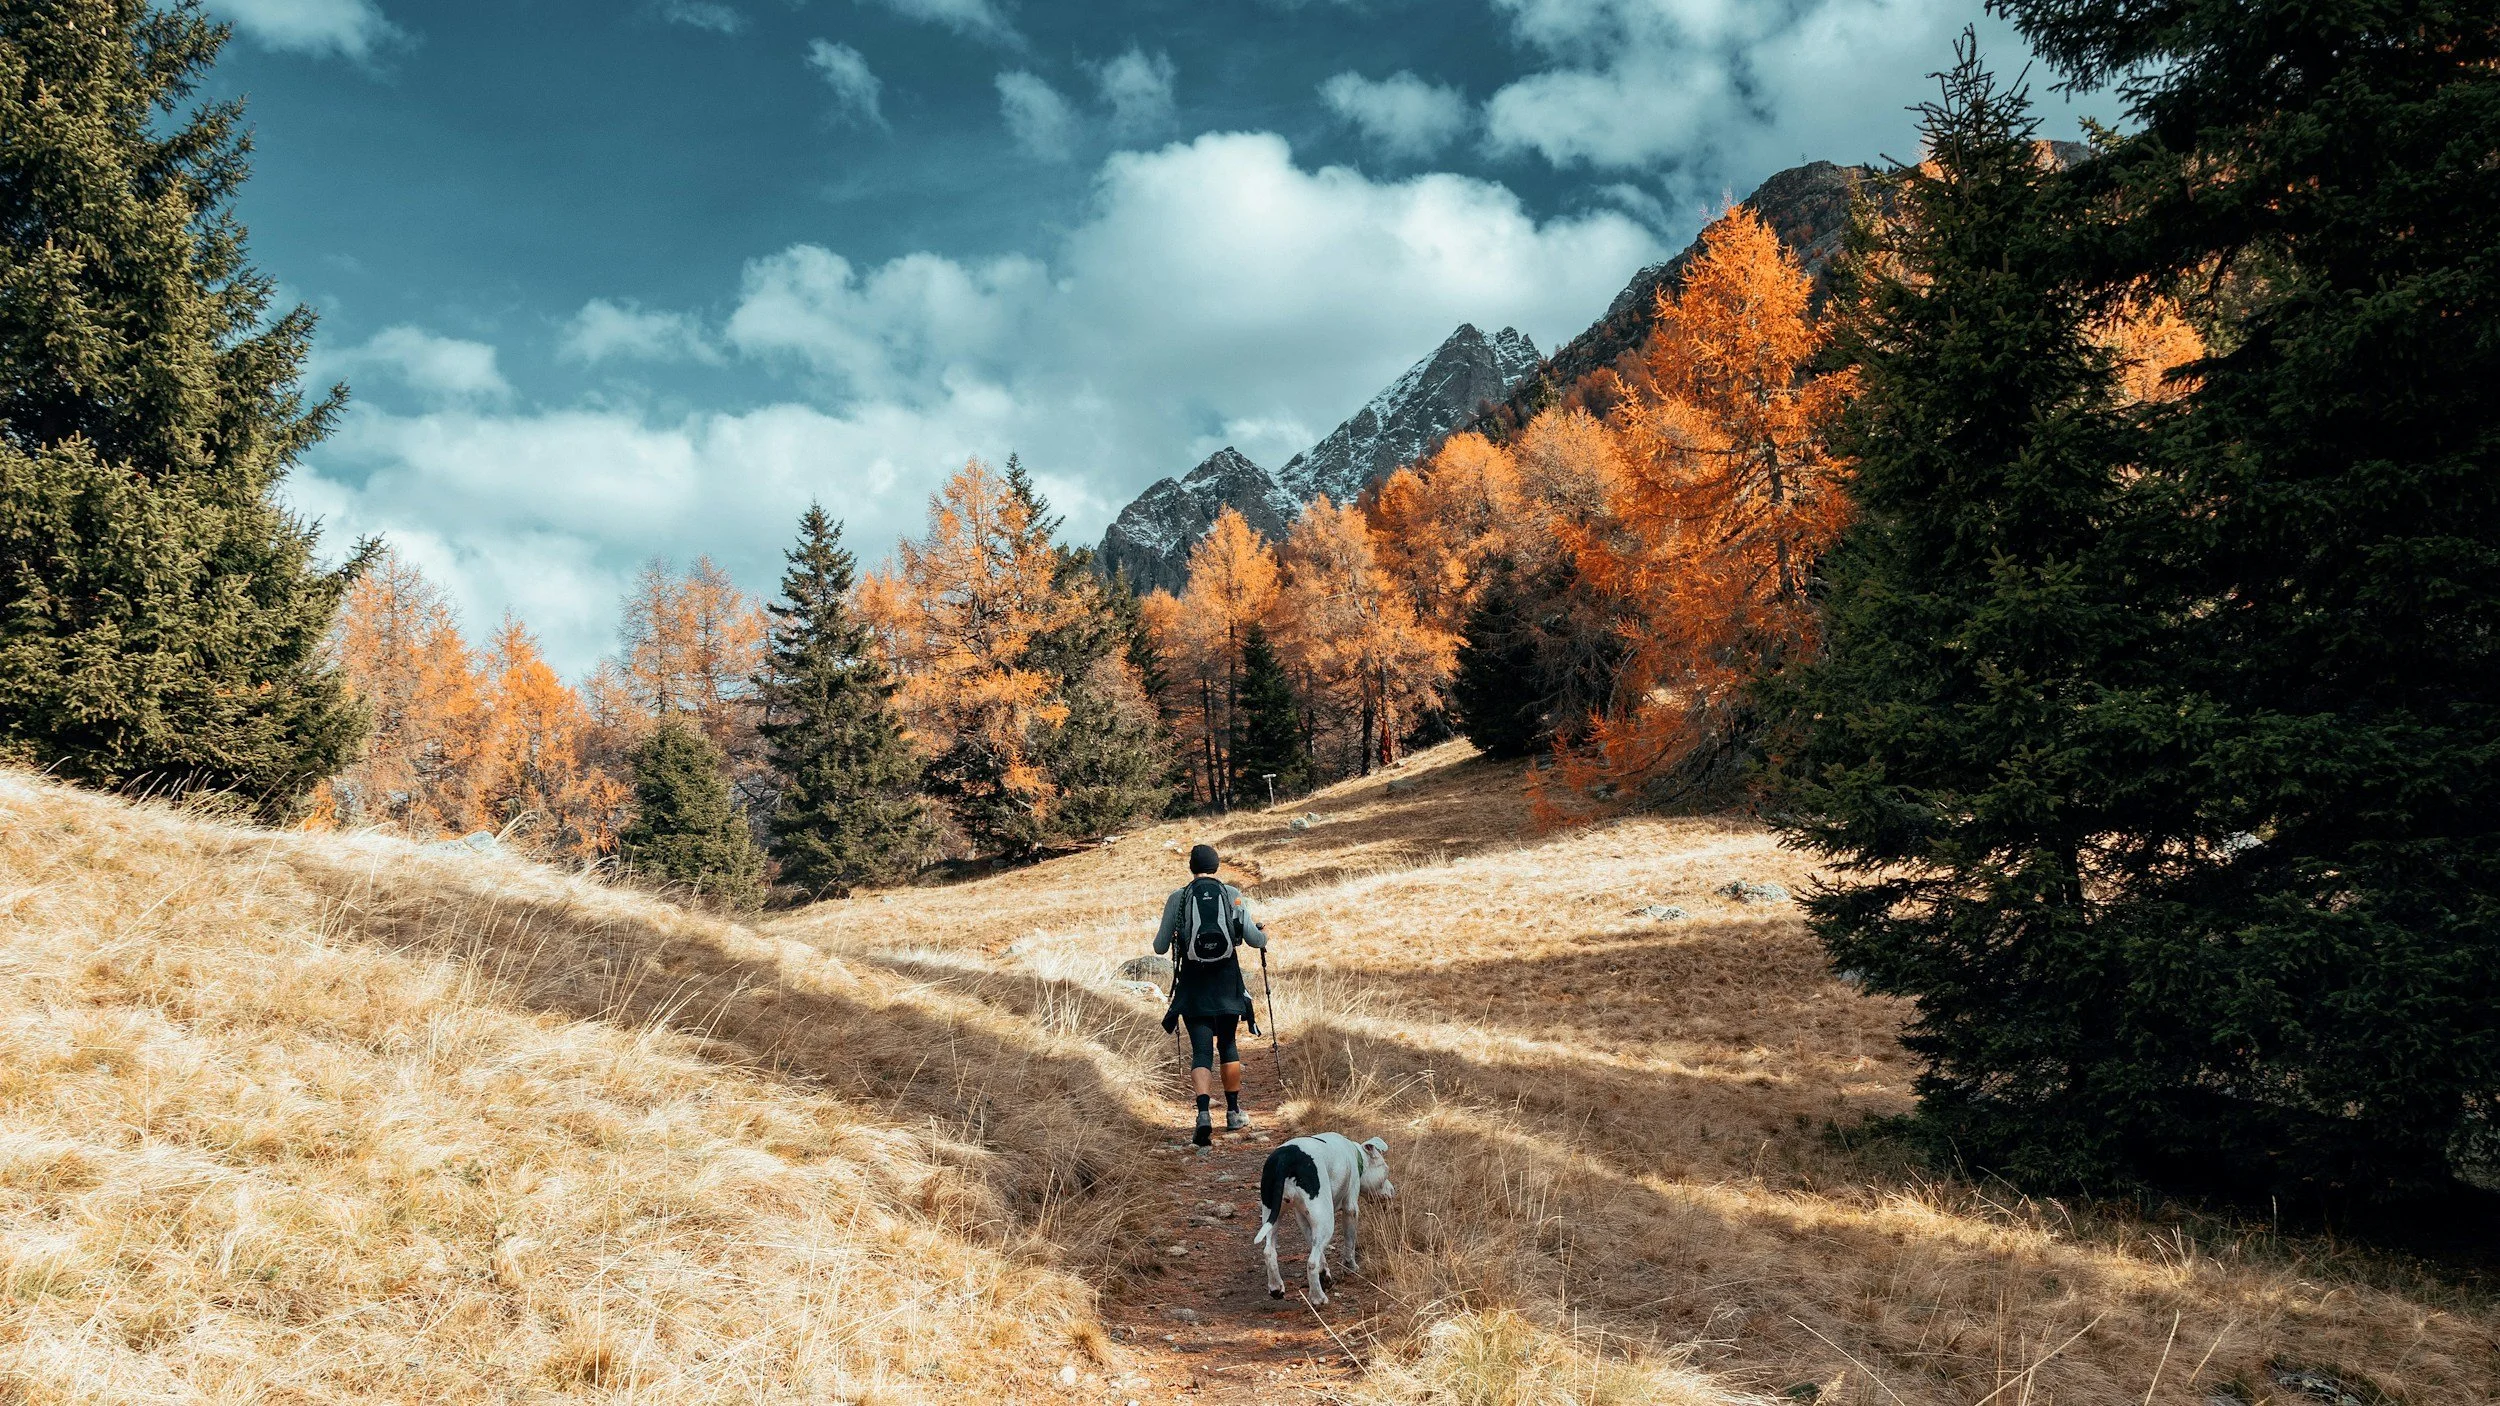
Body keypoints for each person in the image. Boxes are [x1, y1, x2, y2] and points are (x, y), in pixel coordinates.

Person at [1153, 843, 1270, 1147]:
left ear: (1192, 868)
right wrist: (1263, 933)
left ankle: (1203, 1113)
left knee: (1201, 1052)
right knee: (1228, 1045)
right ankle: (1233, 1112)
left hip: (1193, 986)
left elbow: (1159, 947)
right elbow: (1254, 939)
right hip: (1227, 984)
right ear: (1216, 866)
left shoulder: (1178, 898)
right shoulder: (1232, 894)